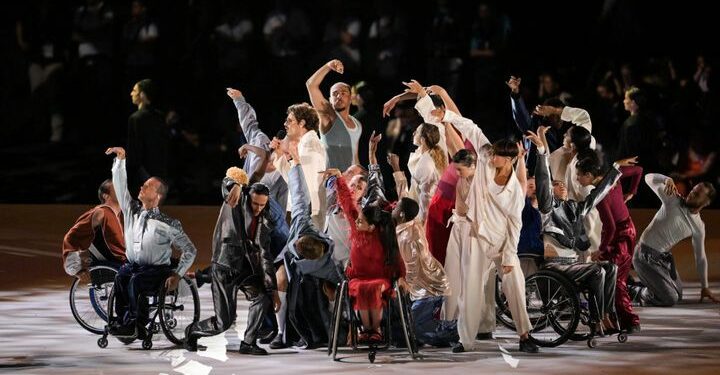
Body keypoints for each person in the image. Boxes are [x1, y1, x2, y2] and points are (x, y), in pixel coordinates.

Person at [434, 93, 536, 353]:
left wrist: (509, 255)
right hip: (477, 239)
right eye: (494, 155)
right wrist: (445, 115)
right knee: (471, 289)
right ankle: (465, 340)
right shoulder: (484, 162)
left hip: (502, 242)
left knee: (515, 284)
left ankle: (525, 336)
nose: (493, 158)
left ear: (510, 160)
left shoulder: (514, 190)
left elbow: (515, 224)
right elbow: (471, 127)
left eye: (499, 157)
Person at [528, 127, 626, 332]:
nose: (561, 186)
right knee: (597, 270)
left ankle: (605, 314)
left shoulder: (572, 207)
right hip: (556, 265)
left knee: (611, 268)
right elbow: (543, 180)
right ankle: (596, 319)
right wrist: (541, 152)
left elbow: (596, 195)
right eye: (556, 185)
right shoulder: (548, 208)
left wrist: (615, 170)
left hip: (571, 264)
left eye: (562, 184)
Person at [185, 166, 281, 355]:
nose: (258, 209)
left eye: (262, 205)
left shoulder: (265, 218)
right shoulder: (236, 200)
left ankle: (248, 343)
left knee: (262, 297)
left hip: (245, 267)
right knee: (223, 323)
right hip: (225, 266)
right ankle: (192, 331)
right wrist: (236, 185)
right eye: (255, 204)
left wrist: (273, 290)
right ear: (248, 197)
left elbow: (264, 255)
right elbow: (226, 183)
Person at [104, 147, 197, 337]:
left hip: (156, 272)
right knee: (121, 277)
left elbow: (190, 250)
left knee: (136, 282)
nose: (141, 187)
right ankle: (124, 323)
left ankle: (137, 325)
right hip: (133, 266)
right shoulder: (132, 211)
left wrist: (178, 275)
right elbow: (121, 188)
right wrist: (121, 161)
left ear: (158, 196)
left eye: (147, 186)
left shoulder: (168, 224)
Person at [324, 158, 406, 342]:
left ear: (371, 226)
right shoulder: (356, 227)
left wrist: (401, 276)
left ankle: (375, 329)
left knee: (374, 289)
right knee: (361, 290)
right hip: (357, 277)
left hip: (380, 278)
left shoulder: (382, 234)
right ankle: (365, 330)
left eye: (361, 221)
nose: (357, 222)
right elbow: (346, 202)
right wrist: (339, 178)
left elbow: (395, 255)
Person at [271, 143, 340, 349]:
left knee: (328, 292)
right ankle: (281, 332)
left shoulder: (329, 263)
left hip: (312, 273)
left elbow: (341, 281)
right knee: (280, 279)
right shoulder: (303, 224)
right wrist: (296, 164)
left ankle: (337, 329)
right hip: (290, 261)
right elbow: (300, 194)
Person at [576, 150, 642, 333]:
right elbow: (638, 170)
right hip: (628, 228)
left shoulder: (600, 196)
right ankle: (617, 319)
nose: (577, 180)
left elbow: (611, 228)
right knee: (616, 277)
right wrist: (631, 192)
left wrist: (602, 250)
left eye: (579, 176)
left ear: (589, 175)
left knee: (617, 280)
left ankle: (631, 322)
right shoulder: (613, 178)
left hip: (620, 235)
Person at [633, 175, 718, 306]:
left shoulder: (698, 226)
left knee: (678, 294)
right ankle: (634, 291)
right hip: (643, 255)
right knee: (670, 298)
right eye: (692, 190)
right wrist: (666, 179)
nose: (691, 193)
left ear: (706, 202)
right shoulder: (673, 199)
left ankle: (646, 284)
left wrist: (705, 287)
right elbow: (647, 178)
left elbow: (700, 257)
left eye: (697, 194)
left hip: (661, 259)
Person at [227, 87, 288, 210]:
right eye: (275, 141)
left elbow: (280, 211)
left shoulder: (285, 176)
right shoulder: (260, 142)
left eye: (280, 145)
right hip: (241, 202)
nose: (276, 144)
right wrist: (239, 99)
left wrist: (248, 146)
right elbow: (249, 124)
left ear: (288, 154)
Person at [270, 103, 327, 228]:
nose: (285, 124)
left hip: (310, 213)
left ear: (301, 123)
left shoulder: (310, 144)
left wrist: (289, 156)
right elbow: (295, 180)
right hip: (307, 211)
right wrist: (280, 155)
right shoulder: (305, 144)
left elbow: (302, 184)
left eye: (290, 121)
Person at [62, 179, 126, 281]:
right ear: (106, 196)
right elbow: (72, 237)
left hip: (125, 261)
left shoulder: (123, 215)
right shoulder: (101, 213)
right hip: (113, 265)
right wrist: (75, 268)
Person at [306, 59, 362, 170]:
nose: (339, 96)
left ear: (351, 98)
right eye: (335, 94)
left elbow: (355, 157)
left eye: (343, 93)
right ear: (330, 100)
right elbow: (311, 85)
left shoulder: (357, 124)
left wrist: (361, 176)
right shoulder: (328, 117)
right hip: (332, 182)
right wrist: (328, 66)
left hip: (351, 183)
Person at [127, 79, 169, 197]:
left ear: (142, 94)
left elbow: (134, 152)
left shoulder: (135, 118)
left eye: (135, 90)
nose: (131, 93)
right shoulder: (160, 117)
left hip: (141, 175)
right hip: (159, 172)